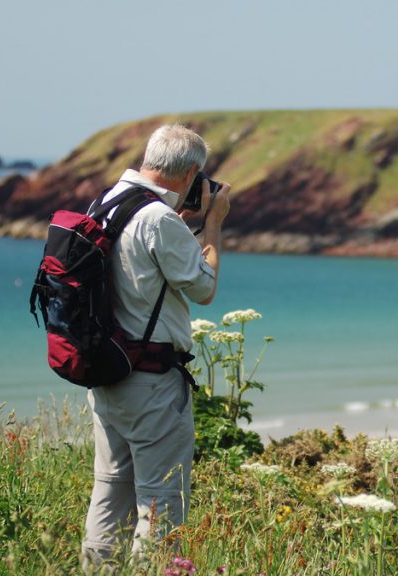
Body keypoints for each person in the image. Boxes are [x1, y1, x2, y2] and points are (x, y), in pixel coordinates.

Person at [81, 124, 230, 571]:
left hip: (107, 372)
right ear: (189, 173)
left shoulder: (107, 202)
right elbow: (203, 289)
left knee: (110, 490)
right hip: (152, 382)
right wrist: (214, 225)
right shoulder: (158, 220)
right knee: (161, 501)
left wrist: (183, 225)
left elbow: (138, 261)